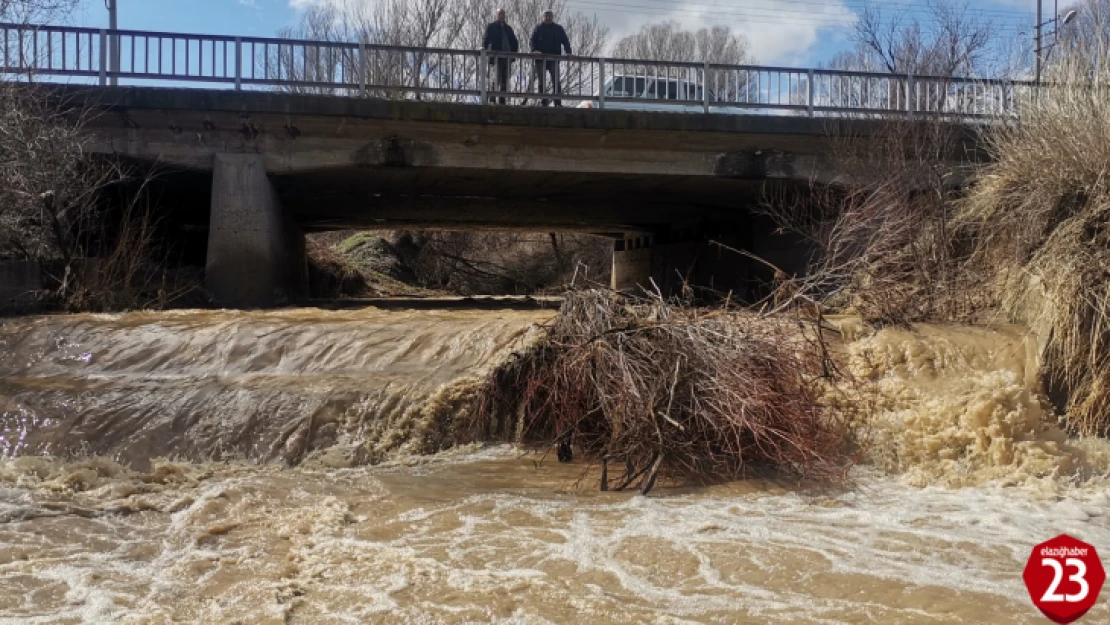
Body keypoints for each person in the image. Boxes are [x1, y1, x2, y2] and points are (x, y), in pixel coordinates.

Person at [530, 10, 571, 106]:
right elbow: (532, 40)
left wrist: (568, 52)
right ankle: (543, 101)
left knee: (556, 80)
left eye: (550, 16)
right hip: (540, 59)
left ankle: (557, 102)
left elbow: (565, 40)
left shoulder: (558, 28)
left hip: (554, 58)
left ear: (552, 17)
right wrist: (534, 50)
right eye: (546, 16)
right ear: (543, 17)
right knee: (541, 81)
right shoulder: (538, 28)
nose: (548, 17)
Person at [482, 9, 519, 105]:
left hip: (507, 56)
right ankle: (493, 98)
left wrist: (513, 54)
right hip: (496, 56)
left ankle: (502, 99)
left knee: (505, 79)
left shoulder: (508, 28)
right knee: (496, 77)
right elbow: (486, 39)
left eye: (503, 14)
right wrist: (485, 48)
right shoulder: (492, 26)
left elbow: (514, 42)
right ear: (496, 15)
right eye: (500, 14)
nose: (501, 16)